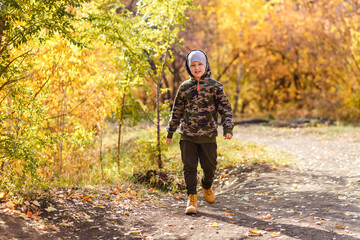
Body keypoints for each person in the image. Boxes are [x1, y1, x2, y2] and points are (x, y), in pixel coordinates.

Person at [166, 49, 234, 214]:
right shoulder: (184, 88)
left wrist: (227, 128)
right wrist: (170, 131)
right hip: (187, 135)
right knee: (189, 167)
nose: (197, 68)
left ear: (206, 65)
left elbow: (225, 108)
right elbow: (177, 110)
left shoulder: (215, 86)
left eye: (200, 64)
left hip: (208, 135)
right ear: (189, 68)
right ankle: (192, 198)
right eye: (193, 65)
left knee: (210, 167)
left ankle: (206, 186)